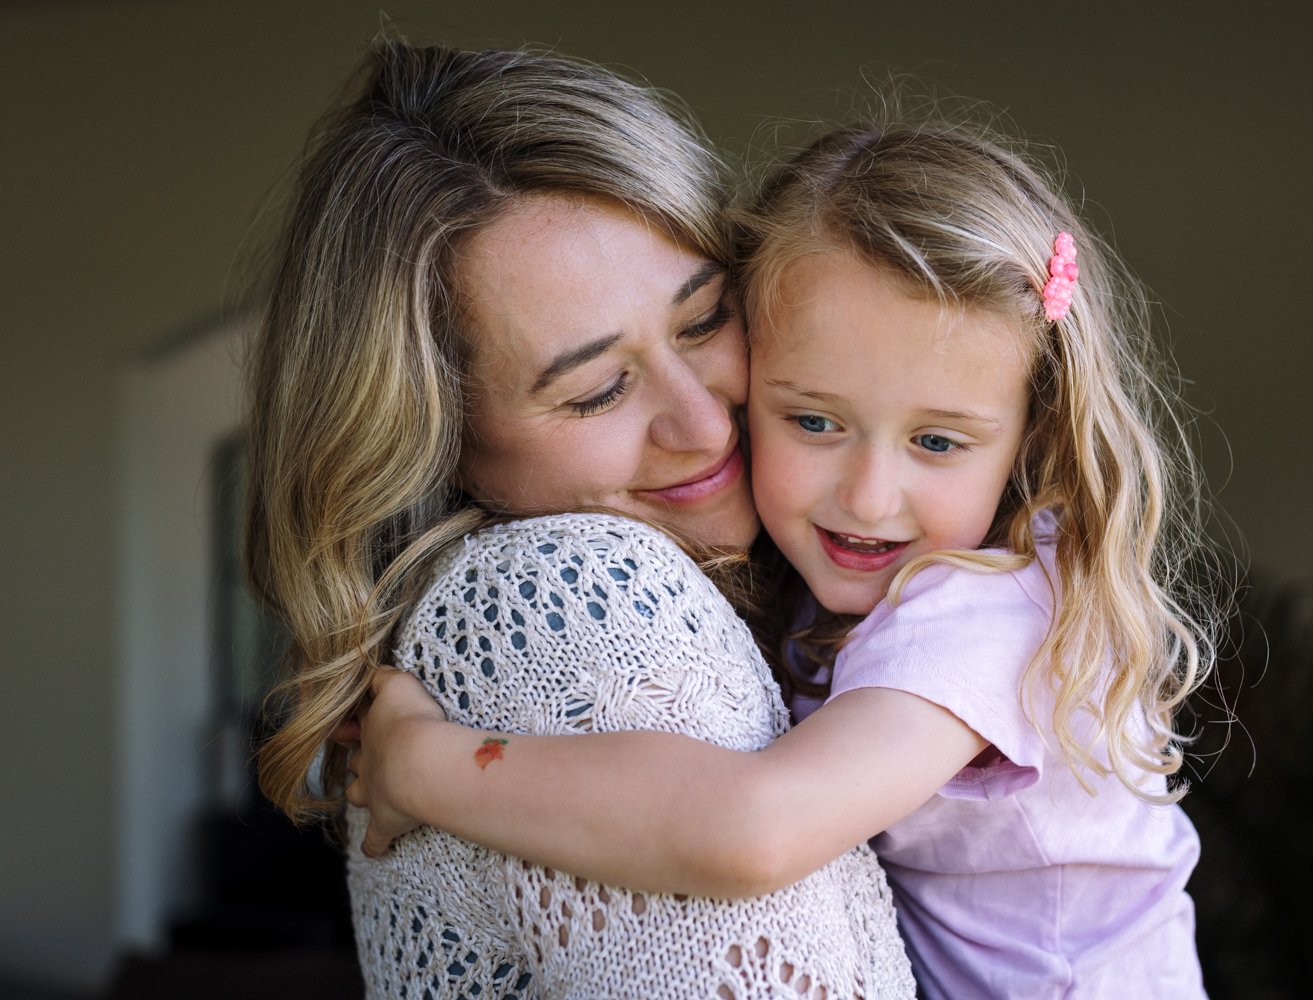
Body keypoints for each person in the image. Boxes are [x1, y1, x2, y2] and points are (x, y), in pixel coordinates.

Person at [349, 117, 1223, 998]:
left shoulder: (989, 613)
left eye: (937, 442)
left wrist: (427, 766)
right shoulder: (823, 579)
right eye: (812, 421)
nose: (868, 497)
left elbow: (754, 829)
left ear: (1030, 436)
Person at [246, 41, 916, 999]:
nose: (701, 420)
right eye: (597, 390)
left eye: (704, 321)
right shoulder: (561, 598)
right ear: (437, 439)